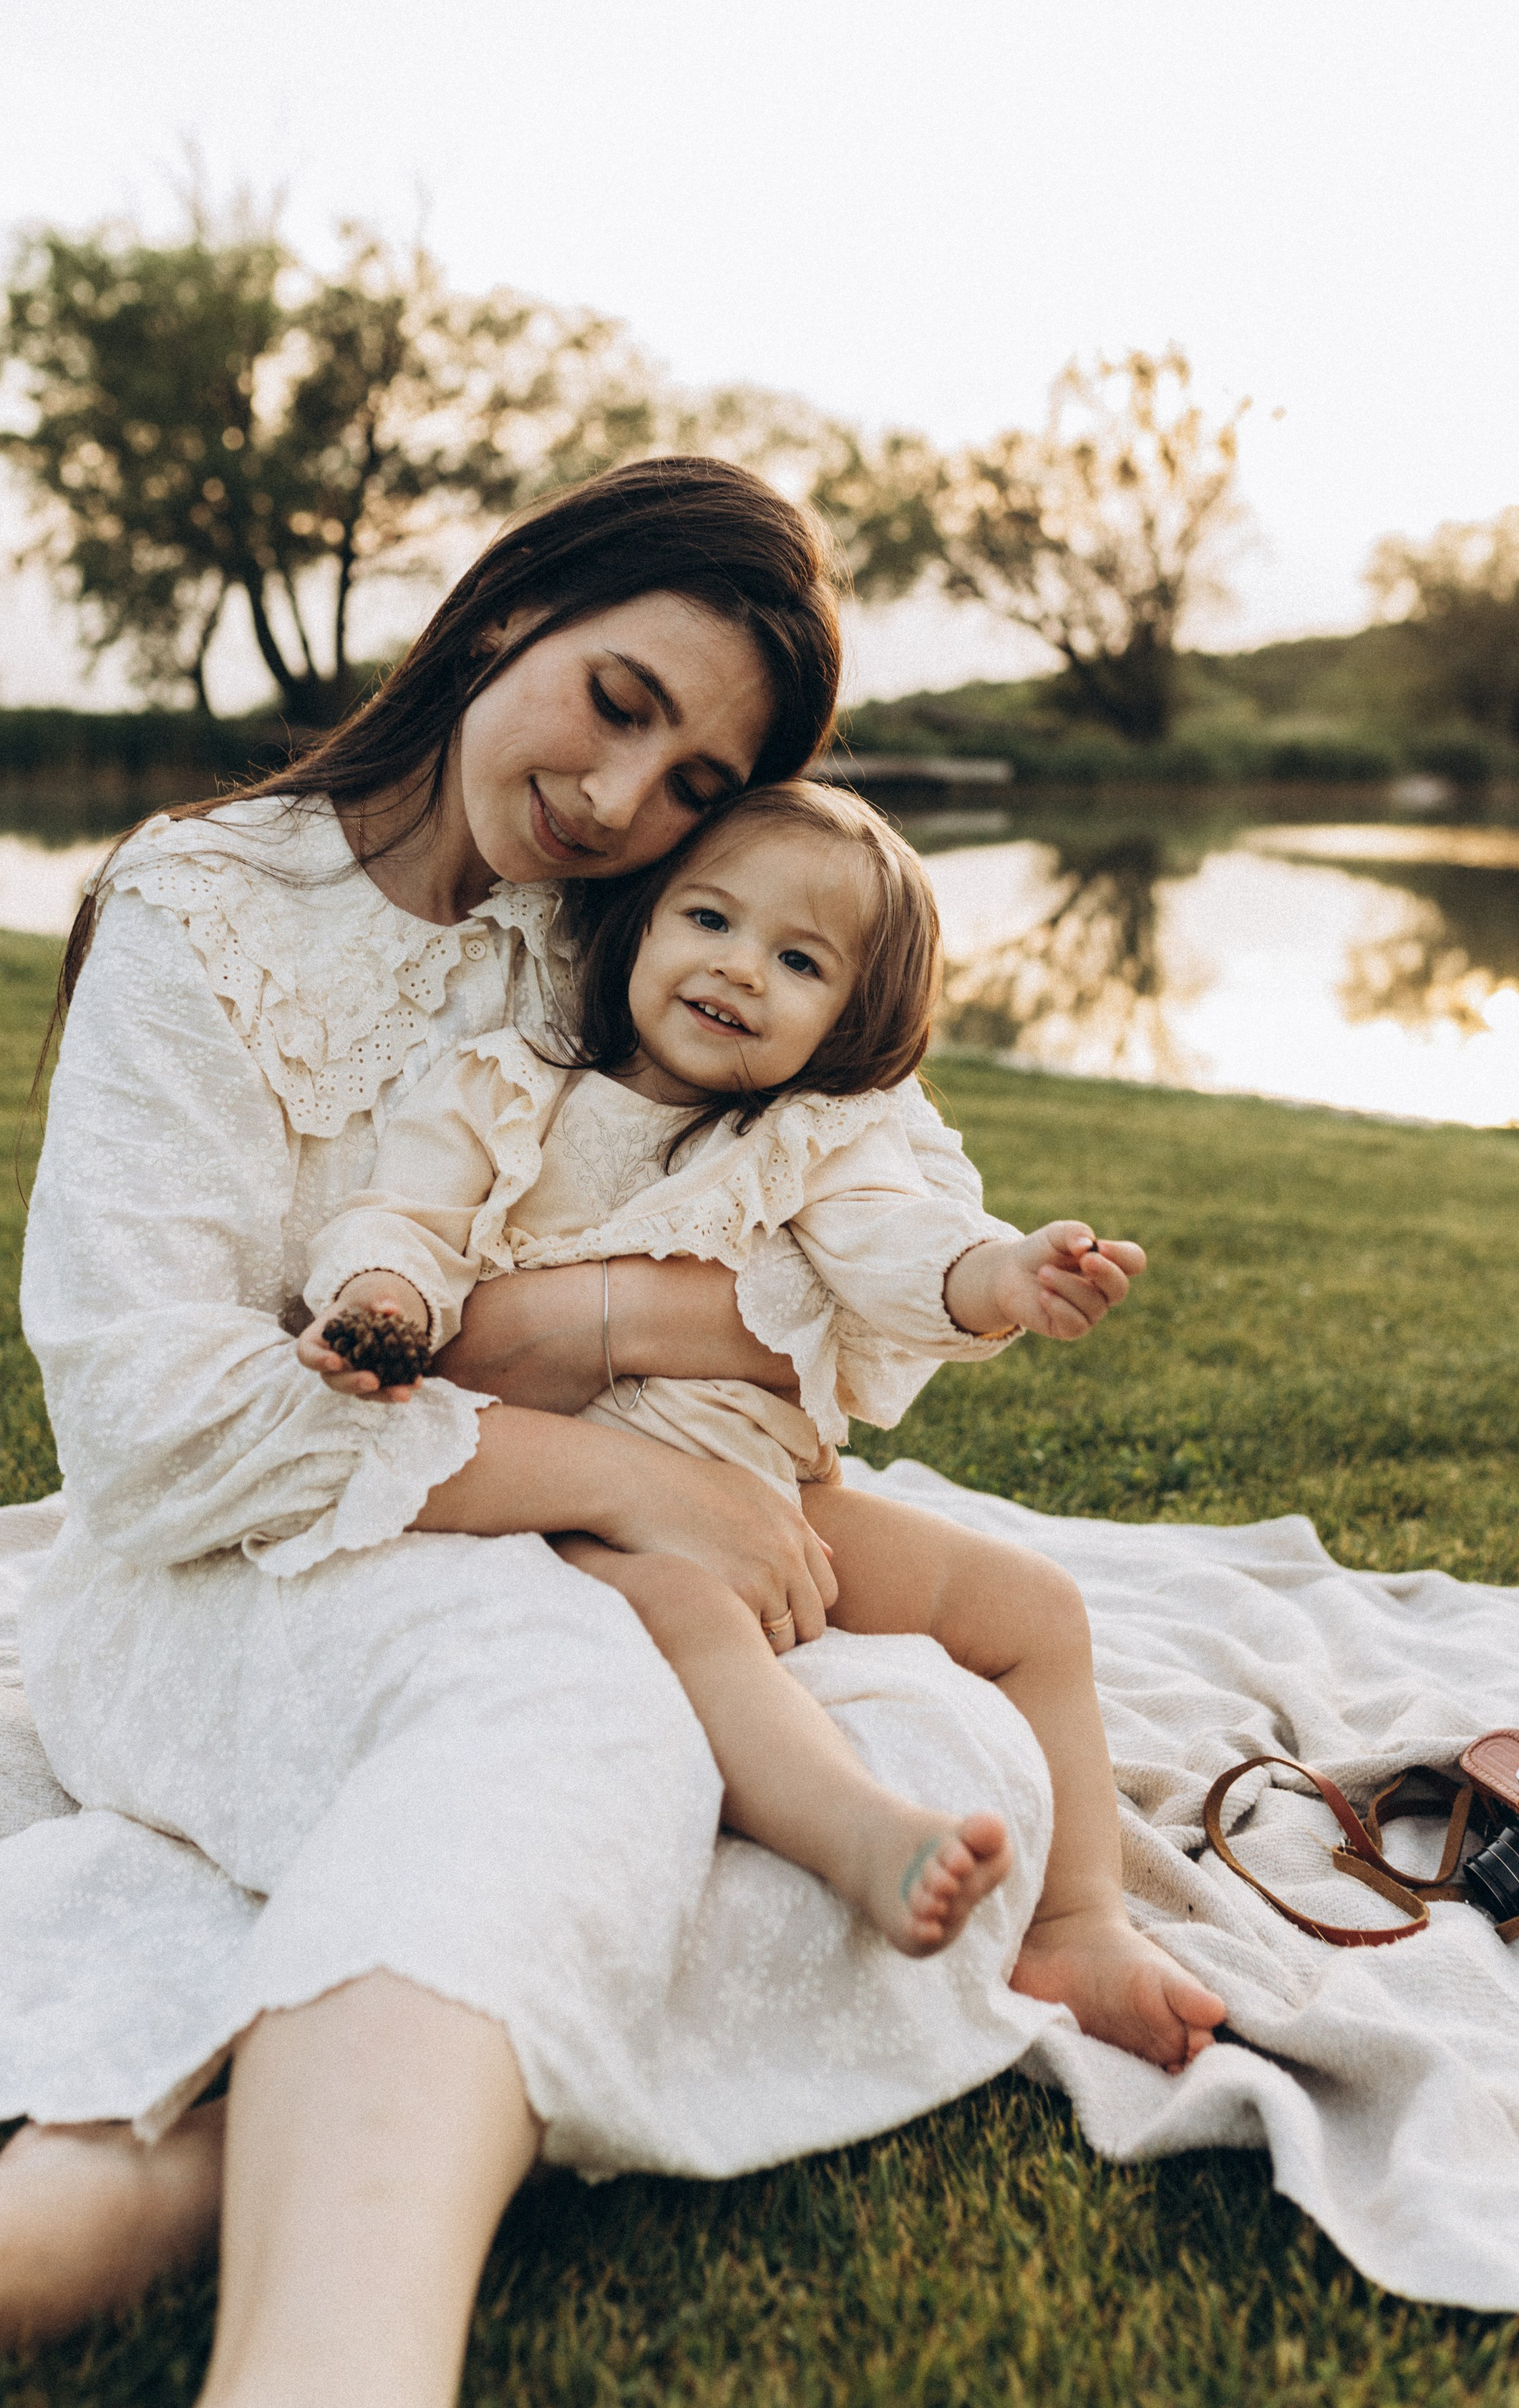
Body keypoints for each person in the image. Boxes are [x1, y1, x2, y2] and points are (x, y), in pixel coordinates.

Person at [0, 459, 1095, 2408]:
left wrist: (608, 1326)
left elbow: (883, 1198)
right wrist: (631, 1469)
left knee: (942, 1751)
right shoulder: (200, 911)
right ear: (503, 617)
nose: (626, 802)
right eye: (618, 703)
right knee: (586, 1710)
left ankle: (149, 2195)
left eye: (698, 784)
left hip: (604, 1551)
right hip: (230, 1576)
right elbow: (156, 1429)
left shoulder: (630, 924)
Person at [299, 780, 1226, 2044]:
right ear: (640, 922)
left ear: (851, 1020)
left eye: (799, 960)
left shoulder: (813, 1139)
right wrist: (383, 1302)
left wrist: (1003, 1275)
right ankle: (854, 1831)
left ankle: (1078, 1930)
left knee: (1037, 1609)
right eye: (710, 920)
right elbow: (406, 1218)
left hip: (779, 1498)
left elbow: (898, 1245)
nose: (739, 970)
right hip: (567, 1507)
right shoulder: (507, 1088)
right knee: (688, 1613)